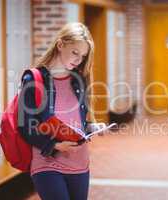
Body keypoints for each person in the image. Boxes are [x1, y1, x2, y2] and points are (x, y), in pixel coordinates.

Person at [17, 22, 97, 200]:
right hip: (47, 162)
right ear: (60, 45)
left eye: (83, 56)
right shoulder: (34, 79)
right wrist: (54, 146)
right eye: (75, 52)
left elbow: (76, 120)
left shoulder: (79, 79)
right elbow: (25, 125)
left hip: (79, 163)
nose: (78, 60)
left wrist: (92, 127)